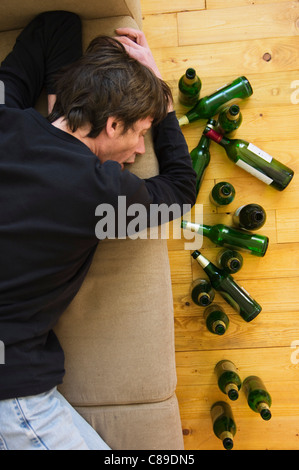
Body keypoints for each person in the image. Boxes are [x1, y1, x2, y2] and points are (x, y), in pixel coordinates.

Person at [0, 11, 196, 450]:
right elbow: (181, 189)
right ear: (112, 125)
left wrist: (69, 111)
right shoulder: (100, 192)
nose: (139, 151)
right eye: (141, 133)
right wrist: (162, 103)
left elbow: (55, 26)